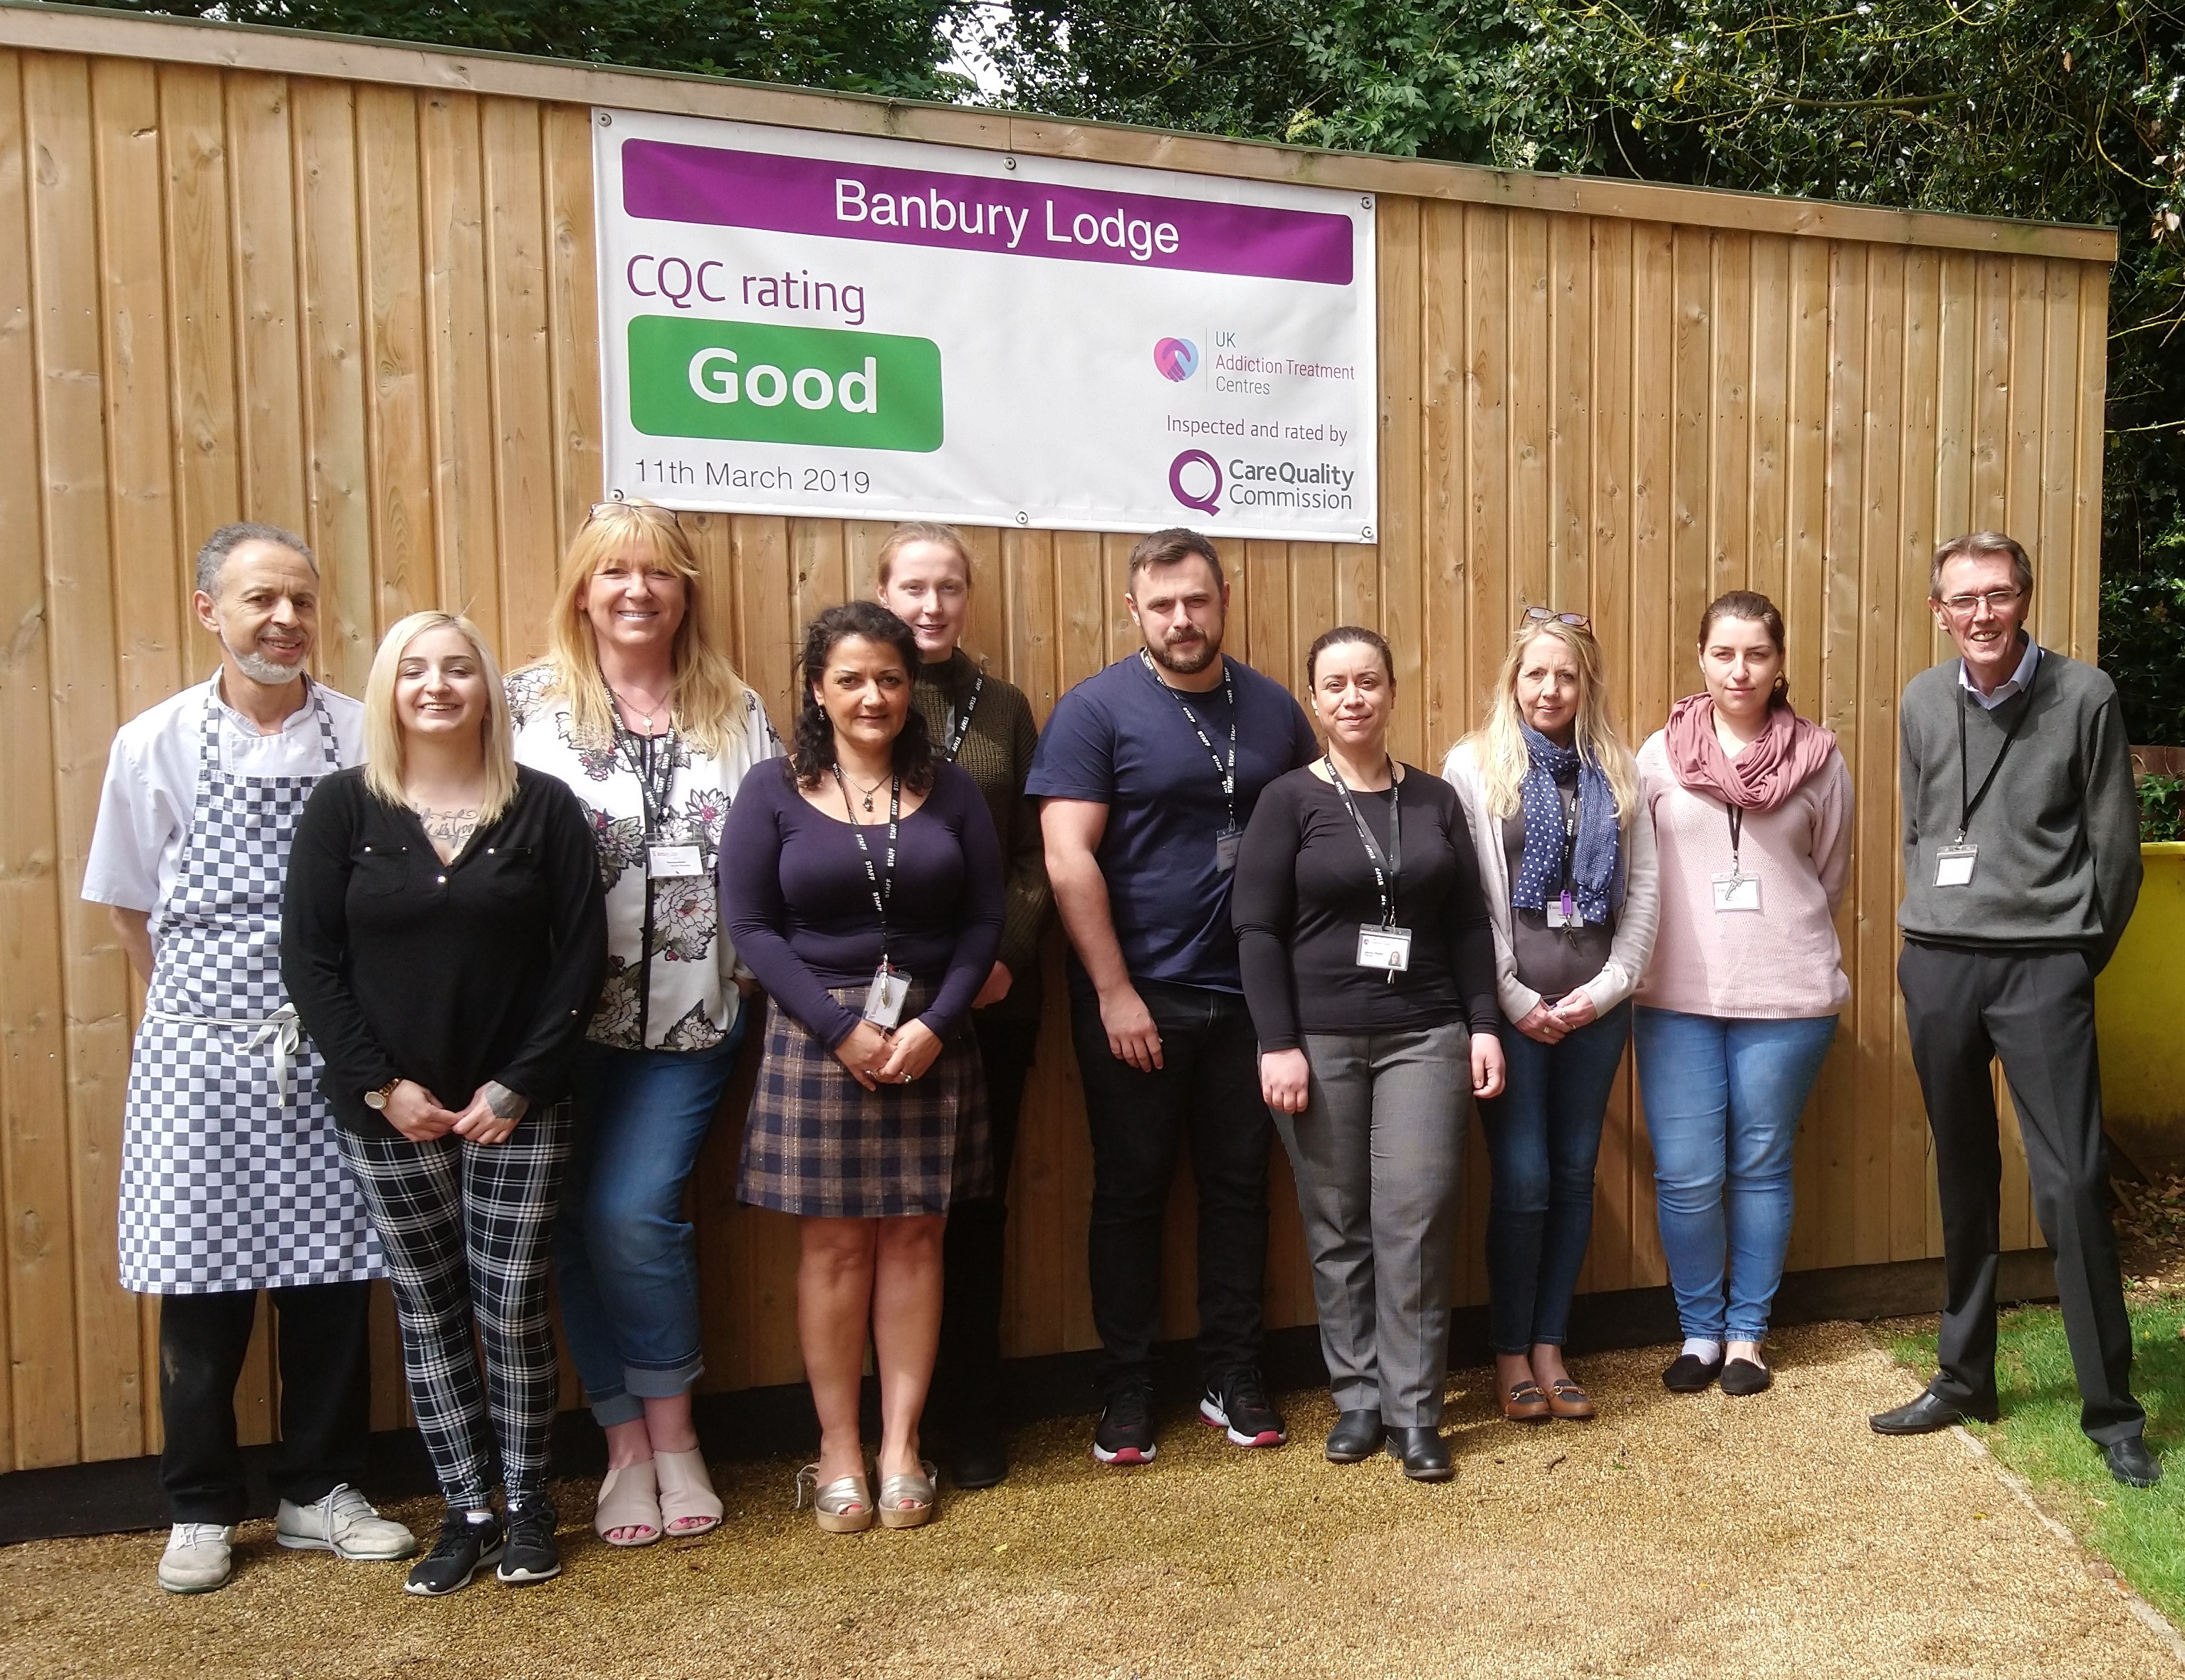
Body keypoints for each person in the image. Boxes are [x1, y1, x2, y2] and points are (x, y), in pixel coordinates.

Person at [83, 522, 416, 1595]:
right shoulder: (156, 743)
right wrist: (208, 1016)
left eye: (302, 602)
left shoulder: (367, 739)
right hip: (201, 1054)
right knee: (201, 1284)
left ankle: (319, 1490)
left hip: (334, 1049)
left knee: (331, 1275)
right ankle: (199, 1506)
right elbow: (134, 910)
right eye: (260, 600)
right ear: (209, 612)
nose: (285, 621)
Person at [283, 611, 607, 1594]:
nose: (436, 686)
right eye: (414, 670)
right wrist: (382, 1087)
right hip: (390, 1111)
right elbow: (309, 961)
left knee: (509, 1305)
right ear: (388, 692)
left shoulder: (543, 809)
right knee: (429, 1308)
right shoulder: (343, 809)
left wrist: (519, 1082)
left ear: (487, 691)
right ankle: (466, 1510)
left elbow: (581, 960)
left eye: (458, 669)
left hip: (519, 1103)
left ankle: (532, 1504)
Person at [507, 502, 779, 1548]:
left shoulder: (734, 708)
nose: (637, 592)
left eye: (659, 574)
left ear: (685, 593)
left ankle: (677, 1440)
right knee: (570, 1225)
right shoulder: (526, 706)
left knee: (631, 1214)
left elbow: (768, 851)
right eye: (614, 573)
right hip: (551, 1026)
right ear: (582, 589)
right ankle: (622, 1446)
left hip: (694, 1016)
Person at [1872, 532, 2159, 1489]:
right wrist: (1925, 944)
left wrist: (2074, 959)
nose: (1981, 615)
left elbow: (2114, 854)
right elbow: (1920, 828)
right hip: (1943, 966)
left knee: (2071, 1182)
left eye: (1997, 595)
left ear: (2025, 598)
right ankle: (1964, 1377)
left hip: (2043, 969)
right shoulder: (1920, 699)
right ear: (1938, 611)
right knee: (1962, 1173)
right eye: (1962, 600)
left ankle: (2111, 1409)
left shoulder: (2085, 697)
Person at [1031, 527, 1319, 1466]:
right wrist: (1112, 991)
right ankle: (1125, 1382)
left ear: (1223, 596)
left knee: (1239, 1192)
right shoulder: (1094, 712)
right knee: (1130, 1192)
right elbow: (1066, 857)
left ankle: (1231, 1370)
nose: (1181, 620)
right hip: (1137, 999)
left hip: (1250, 1001)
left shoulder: (1275, 711)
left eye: (1195, 600)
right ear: (1134, 611)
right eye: (1162, 606)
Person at [718, 602, 1002, 1533]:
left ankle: (900, 1447)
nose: (871, 695)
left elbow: (981, 923)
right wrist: (839, 1029)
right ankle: (838, 1448)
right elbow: (753, 928)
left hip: (931, 1034)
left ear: (908, 686)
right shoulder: (770, 788)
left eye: (887, 677)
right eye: (850, 679)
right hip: (818, 1035)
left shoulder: (952, 788)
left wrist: (938, 1022)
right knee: (836, 1247)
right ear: (816, 690)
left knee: (918, 1238)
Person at [1232, 626, 1507, 1481]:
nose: (1353, 698)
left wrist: (1485, 1021)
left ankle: (1415, 1411)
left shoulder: (1432, 800)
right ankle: (1357, 1397)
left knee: (1417, 1220)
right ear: (1315, 700)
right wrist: (1277, 1043)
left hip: (1427, 1031)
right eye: (1335, 685)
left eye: (1368, 682)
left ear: (1392, 693)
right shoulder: (1287, 801)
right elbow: (1255, 930)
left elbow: (1466, 923)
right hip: (1317, 1038)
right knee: (1338, 1221)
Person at [1633, 592, 1852, 1397]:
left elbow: (1828, 875)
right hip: (1674, 997)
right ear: (1701, 657)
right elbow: (1637, 872)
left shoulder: (1821, 758)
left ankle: (1747, 1337)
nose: (1740, 669)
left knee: (1760, 1163)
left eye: (1756, 653)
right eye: (1724, 652)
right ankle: (1698, 1330)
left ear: (1780, 662)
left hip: (1787, 995)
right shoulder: (1657, 754)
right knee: (1687, 1172)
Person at [1445, 609, 1658, 1424]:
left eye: (1566, 675)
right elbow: (1470, 902)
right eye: (1536, 673)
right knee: (1525, 1178)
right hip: (1516, 1015)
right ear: (1513, 680)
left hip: (1596, 1011)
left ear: (1586, 684)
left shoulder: (1618, 768)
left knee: (1573, 1175)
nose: (1550, 689)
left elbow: (1642, 894)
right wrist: (1516, 999)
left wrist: (1605, 989)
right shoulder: (1474, 767)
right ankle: (1507, 1351)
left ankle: (1550, 1346)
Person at [874, 523, 1052, 1489]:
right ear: (885, 591)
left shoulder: (1003, 709)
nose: (931, 606)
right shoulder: (857, 691)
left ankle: (971, 1417)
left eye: (948, 588)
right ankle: (899, 1420)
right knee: (896, 1215)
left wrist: (1000, 960)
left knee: (975, 1211)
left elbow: (1031, 854)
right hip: (885, 1007)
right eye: (913, 586)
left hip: (992, 999)